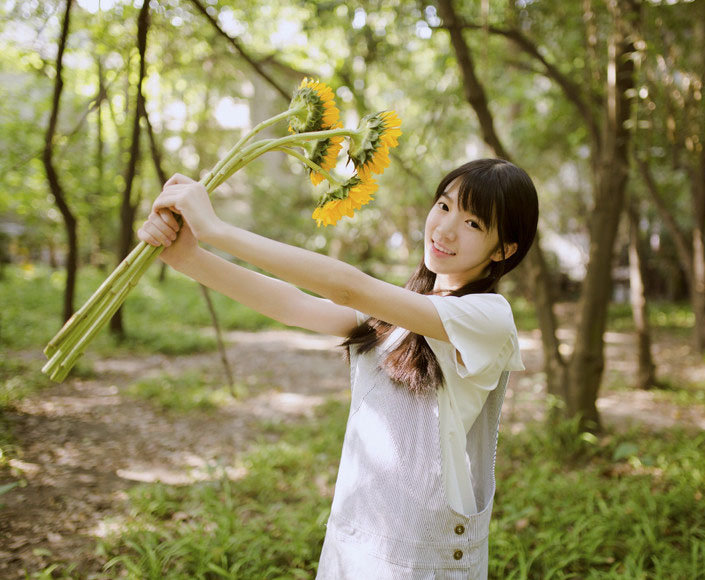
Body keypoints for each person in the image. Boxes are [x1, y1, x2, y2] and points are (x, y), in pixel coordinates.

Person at [137, 157, 539, 579]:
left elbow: (348, 287)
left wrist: (217, 230)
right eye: (443, 205)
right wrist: (190, 259)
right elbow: (294, 305)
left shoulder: (488, 317)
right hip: (356, 544)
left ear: (504, 249)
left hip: (421, 560)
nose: (445, 228)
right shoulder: (403, 313)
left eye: (473, 223)